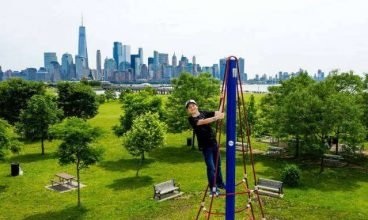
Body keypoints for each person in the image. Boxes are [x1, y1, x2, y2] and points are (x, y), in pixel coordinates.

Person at [186, 99, 225, 195]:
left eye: (193, 105)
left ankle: (220, 183)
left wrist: (223, 99)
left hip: (214, 143)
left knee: (218, 165)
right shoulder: (191, 119)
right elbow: (201, 122)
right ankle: (213, 189)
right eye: (189, 107)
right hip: (205, 146)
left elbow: (218, 112)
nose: (192, 108)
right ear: (188, 110)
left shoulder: (204, 113)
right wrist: (216, 118)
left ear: (197, 106)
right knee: (211, 167)